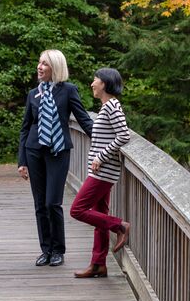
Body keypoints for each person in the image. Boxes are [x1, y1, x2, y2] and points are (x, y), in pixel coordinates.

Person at [18, 49, 94, 267]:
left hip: (58, 151)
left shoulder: (68, 90)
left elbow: (83, 119)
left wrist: (102, 138)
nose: (39, 67)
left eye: (45, 64)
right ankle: (46, 250)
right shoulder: (33, 94)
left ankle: (58, 250)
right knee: (40, 204)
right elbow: (25, 128)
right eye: (39, 63)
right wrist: (21, 161)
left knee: (53, 202)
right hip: (34, 151)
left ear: (55, 68)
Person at [70, 68, 132, 278]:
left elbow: (124, 135)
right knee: (99, 216)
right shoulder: (107, 107)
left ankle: (119, 226)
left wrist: (100, 157)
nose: (92, 84)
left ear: (104, 83)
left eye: (95, 80)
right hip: (101, 170)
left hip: (103, 172)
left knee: (77, 210)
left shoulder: (112, 106)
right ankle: (98, 264)